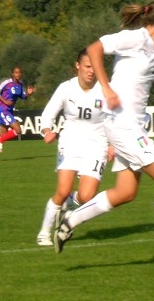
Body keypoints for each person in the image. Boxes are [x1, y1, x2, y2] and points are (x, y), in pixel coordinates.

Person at [54, 1, 154, 263]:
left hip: (133, 124)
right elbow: (94, 48)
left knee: (126, 192)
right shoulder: (135, 38)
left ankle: (71, 219)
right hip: (123, 125)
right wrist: (107, 88)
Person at [36, 48, 111, 246]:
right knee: (62, 190)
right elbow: (48, 114)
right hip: (70, 143)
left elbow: (115, 117)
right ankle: (44, 233)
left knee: (86, 196)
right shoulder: (66, 88)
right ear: (77, 66)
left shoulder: (105, 89)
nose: (91, 71)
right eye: (87, 66)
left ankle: (68, 205)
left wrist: (113, 144)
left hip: (97, 145)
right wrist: (46, 131)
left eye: (94, 66)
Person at [0, 66, 35, 161]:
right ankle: (0, 141)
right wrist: (5, 101)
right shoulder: (7, 83)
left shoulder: (20, 85)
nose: (18, 74)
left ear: (21, 74)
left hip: (9, 110)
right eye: (16, 72)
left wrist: (28, 93)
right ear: (12, 74)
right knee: (18, 129)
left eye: (19, 73)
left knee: (2, 133)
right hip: (3, 109)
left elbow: (22, 96)